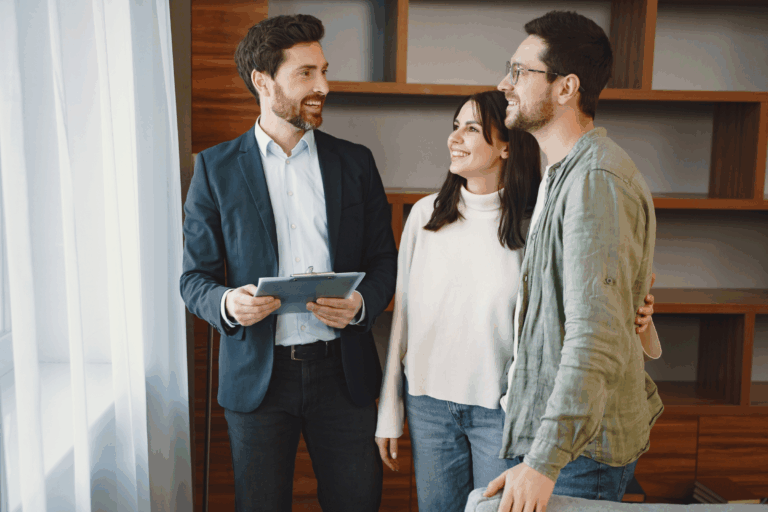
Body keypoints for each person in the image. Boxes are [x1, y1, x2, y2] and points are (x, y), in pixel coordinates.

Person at [374, 91, 656, 512]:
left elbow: (577, 314)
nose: (455, 137)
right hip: (428, 408)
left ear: (506, 145)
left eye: (471, 128)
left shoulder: (536, 223)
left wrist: (641, 317)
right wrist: (389, 411)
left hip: (500, 412)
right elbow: (404, 322)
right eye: (455, 126)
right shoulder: (424, 216)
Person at [179, 14, 397, 512]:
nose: (323, 85)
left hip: (345, 377)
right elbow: (194, 279)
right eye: (305, 74)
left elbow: (385, 259)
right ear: (262, 80)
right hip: (259, 380)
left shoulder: (355, 162)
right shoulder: (214, 169)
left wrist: (362, 303)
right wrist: (228, 303)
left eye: (323, 71)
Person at [480, 10, 665, 512]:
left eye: (520, 71)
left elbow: (595, 339)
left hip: (577, 455)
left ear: (566, 88)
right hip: (560, 443)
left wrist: (544, 461)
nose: (504, 83)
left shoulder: (594, 181)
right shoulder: (564, 174)